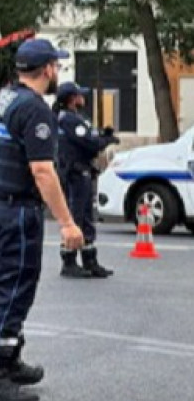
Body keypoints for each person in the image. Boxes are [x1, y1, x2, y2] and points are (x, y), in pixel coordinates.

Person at [0, 39, 85, 401]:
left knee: (6, 286)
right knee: (11, 290)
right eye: (58, 65)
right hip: (13, 210)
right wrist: (67, 223)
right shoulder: (35, 110)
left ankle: (7, 359)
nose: (59, 72)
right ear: (49, 69)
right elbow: (42, 170)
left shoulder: (5, 97)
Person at [55, 82, 120, 279]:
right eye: (79, 95)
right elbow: (89, 144)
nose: (83, 98)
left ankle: (90, 260)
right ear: (72, 99)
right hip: (75, 174)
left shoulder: (74, 119)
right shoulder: (70, 120)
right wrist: (106, 141)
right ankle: (69, 261)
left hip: (81, 173)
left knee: (86, 218)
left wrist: (102, 134)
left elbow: (89, 136)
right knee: (76, 217)